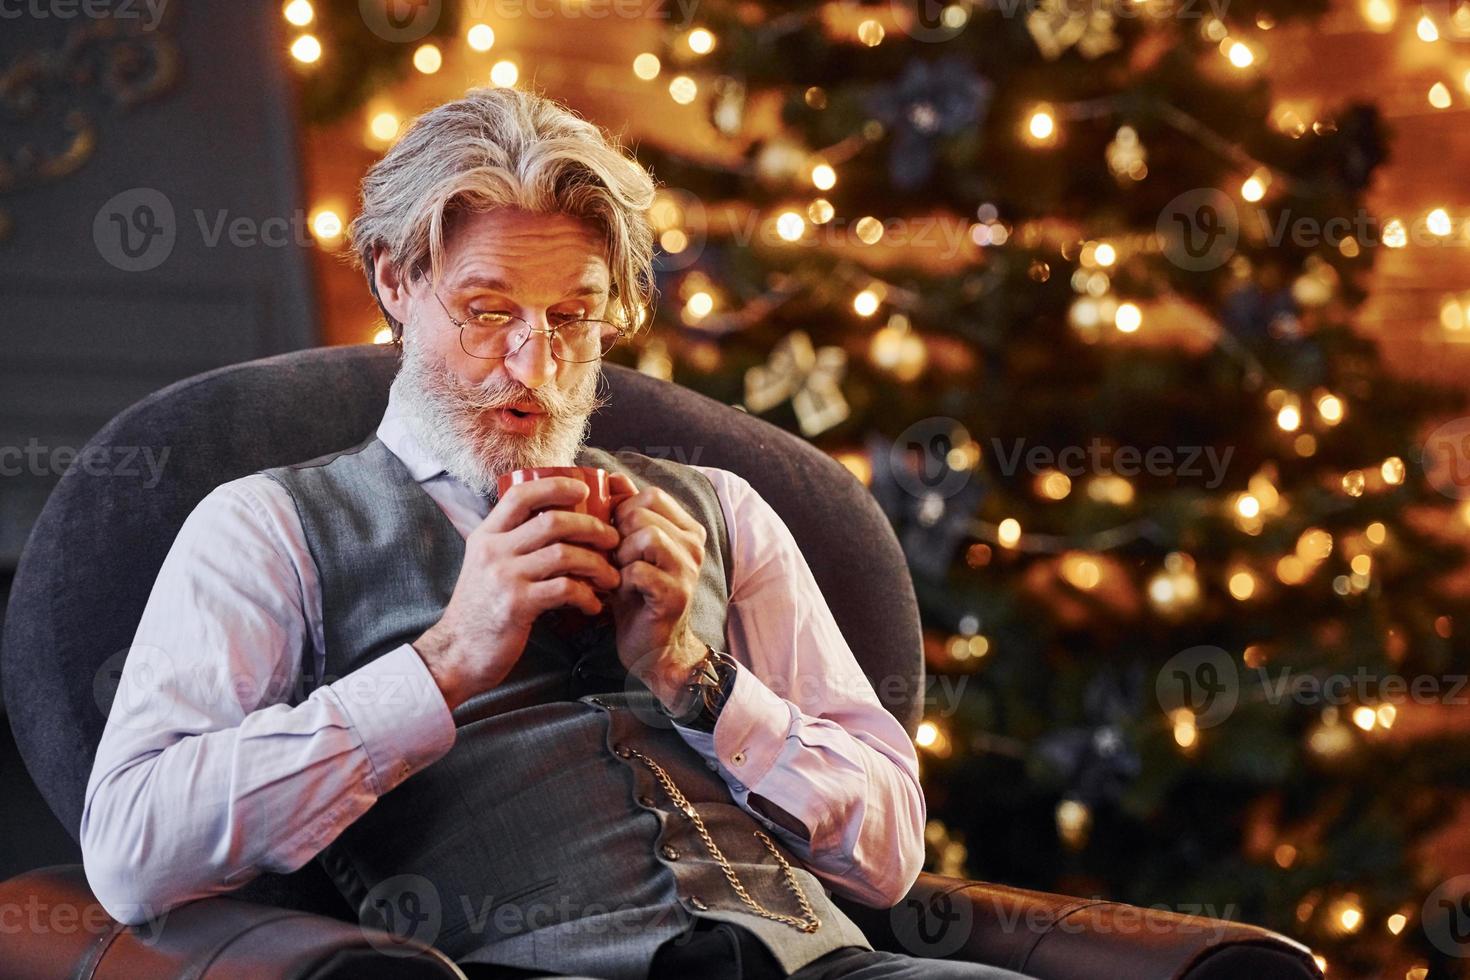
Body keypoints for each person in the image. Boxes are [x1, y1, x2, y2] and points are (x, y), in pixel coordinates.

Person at [80, 87, 1035, 980]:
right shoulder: (267, 528)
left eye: (572, 315)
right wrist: (445, 661)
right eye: (489, 311)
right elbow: (130, 853)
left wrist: (697, 680)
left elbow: (892, 854)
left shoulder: (722, 507)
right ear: (396, 281)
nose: (534, 364)